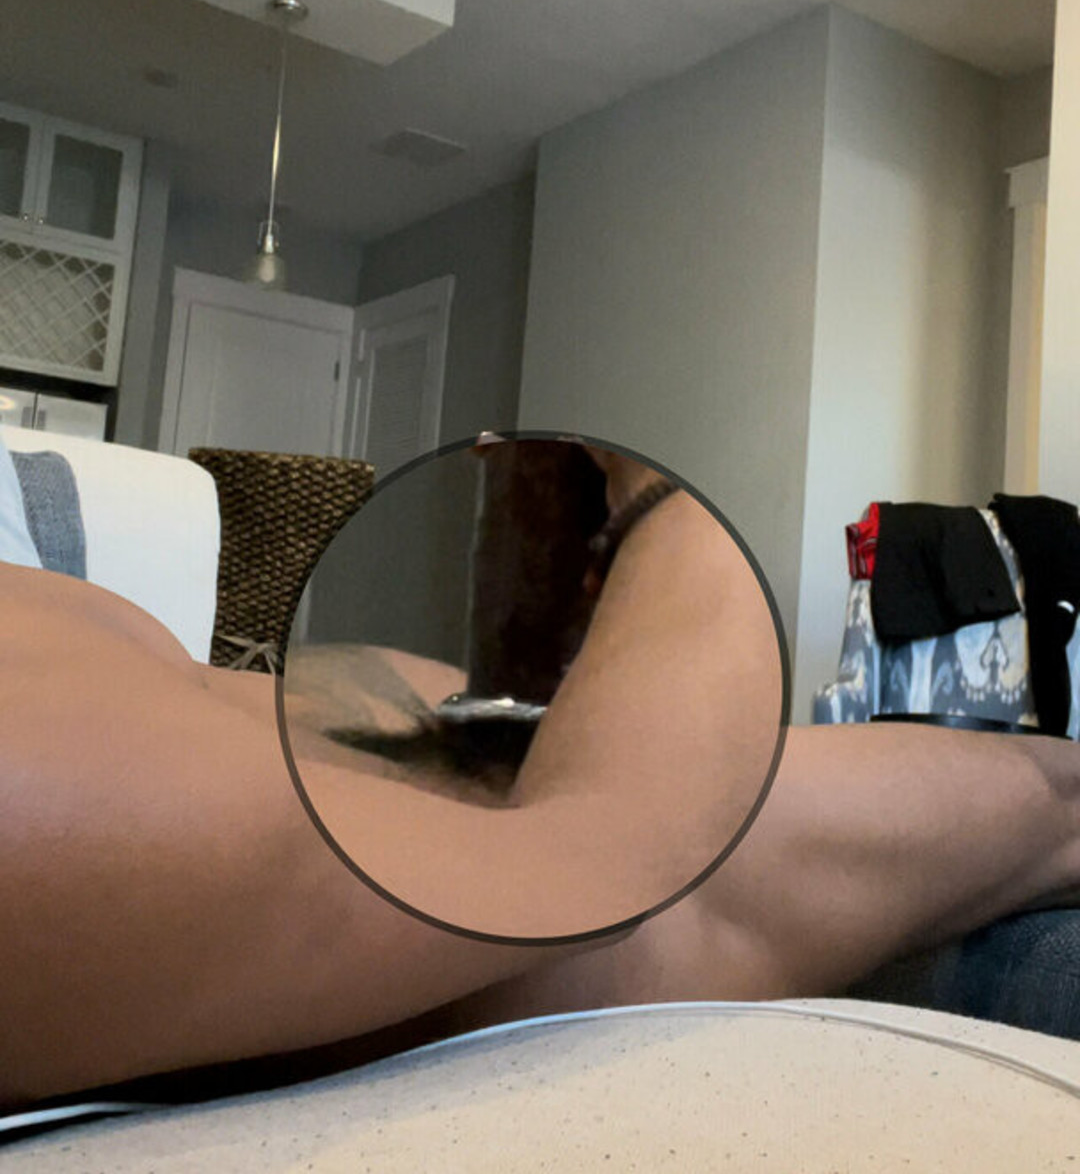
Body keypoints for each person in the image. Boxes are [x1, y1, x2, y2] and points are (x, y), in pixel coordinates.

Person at [2, 446, 1078, 1109]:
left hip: (623, 826)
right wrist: (656, 499)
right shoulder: (37, 788)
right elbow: (611, 858)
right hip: (646, 908)